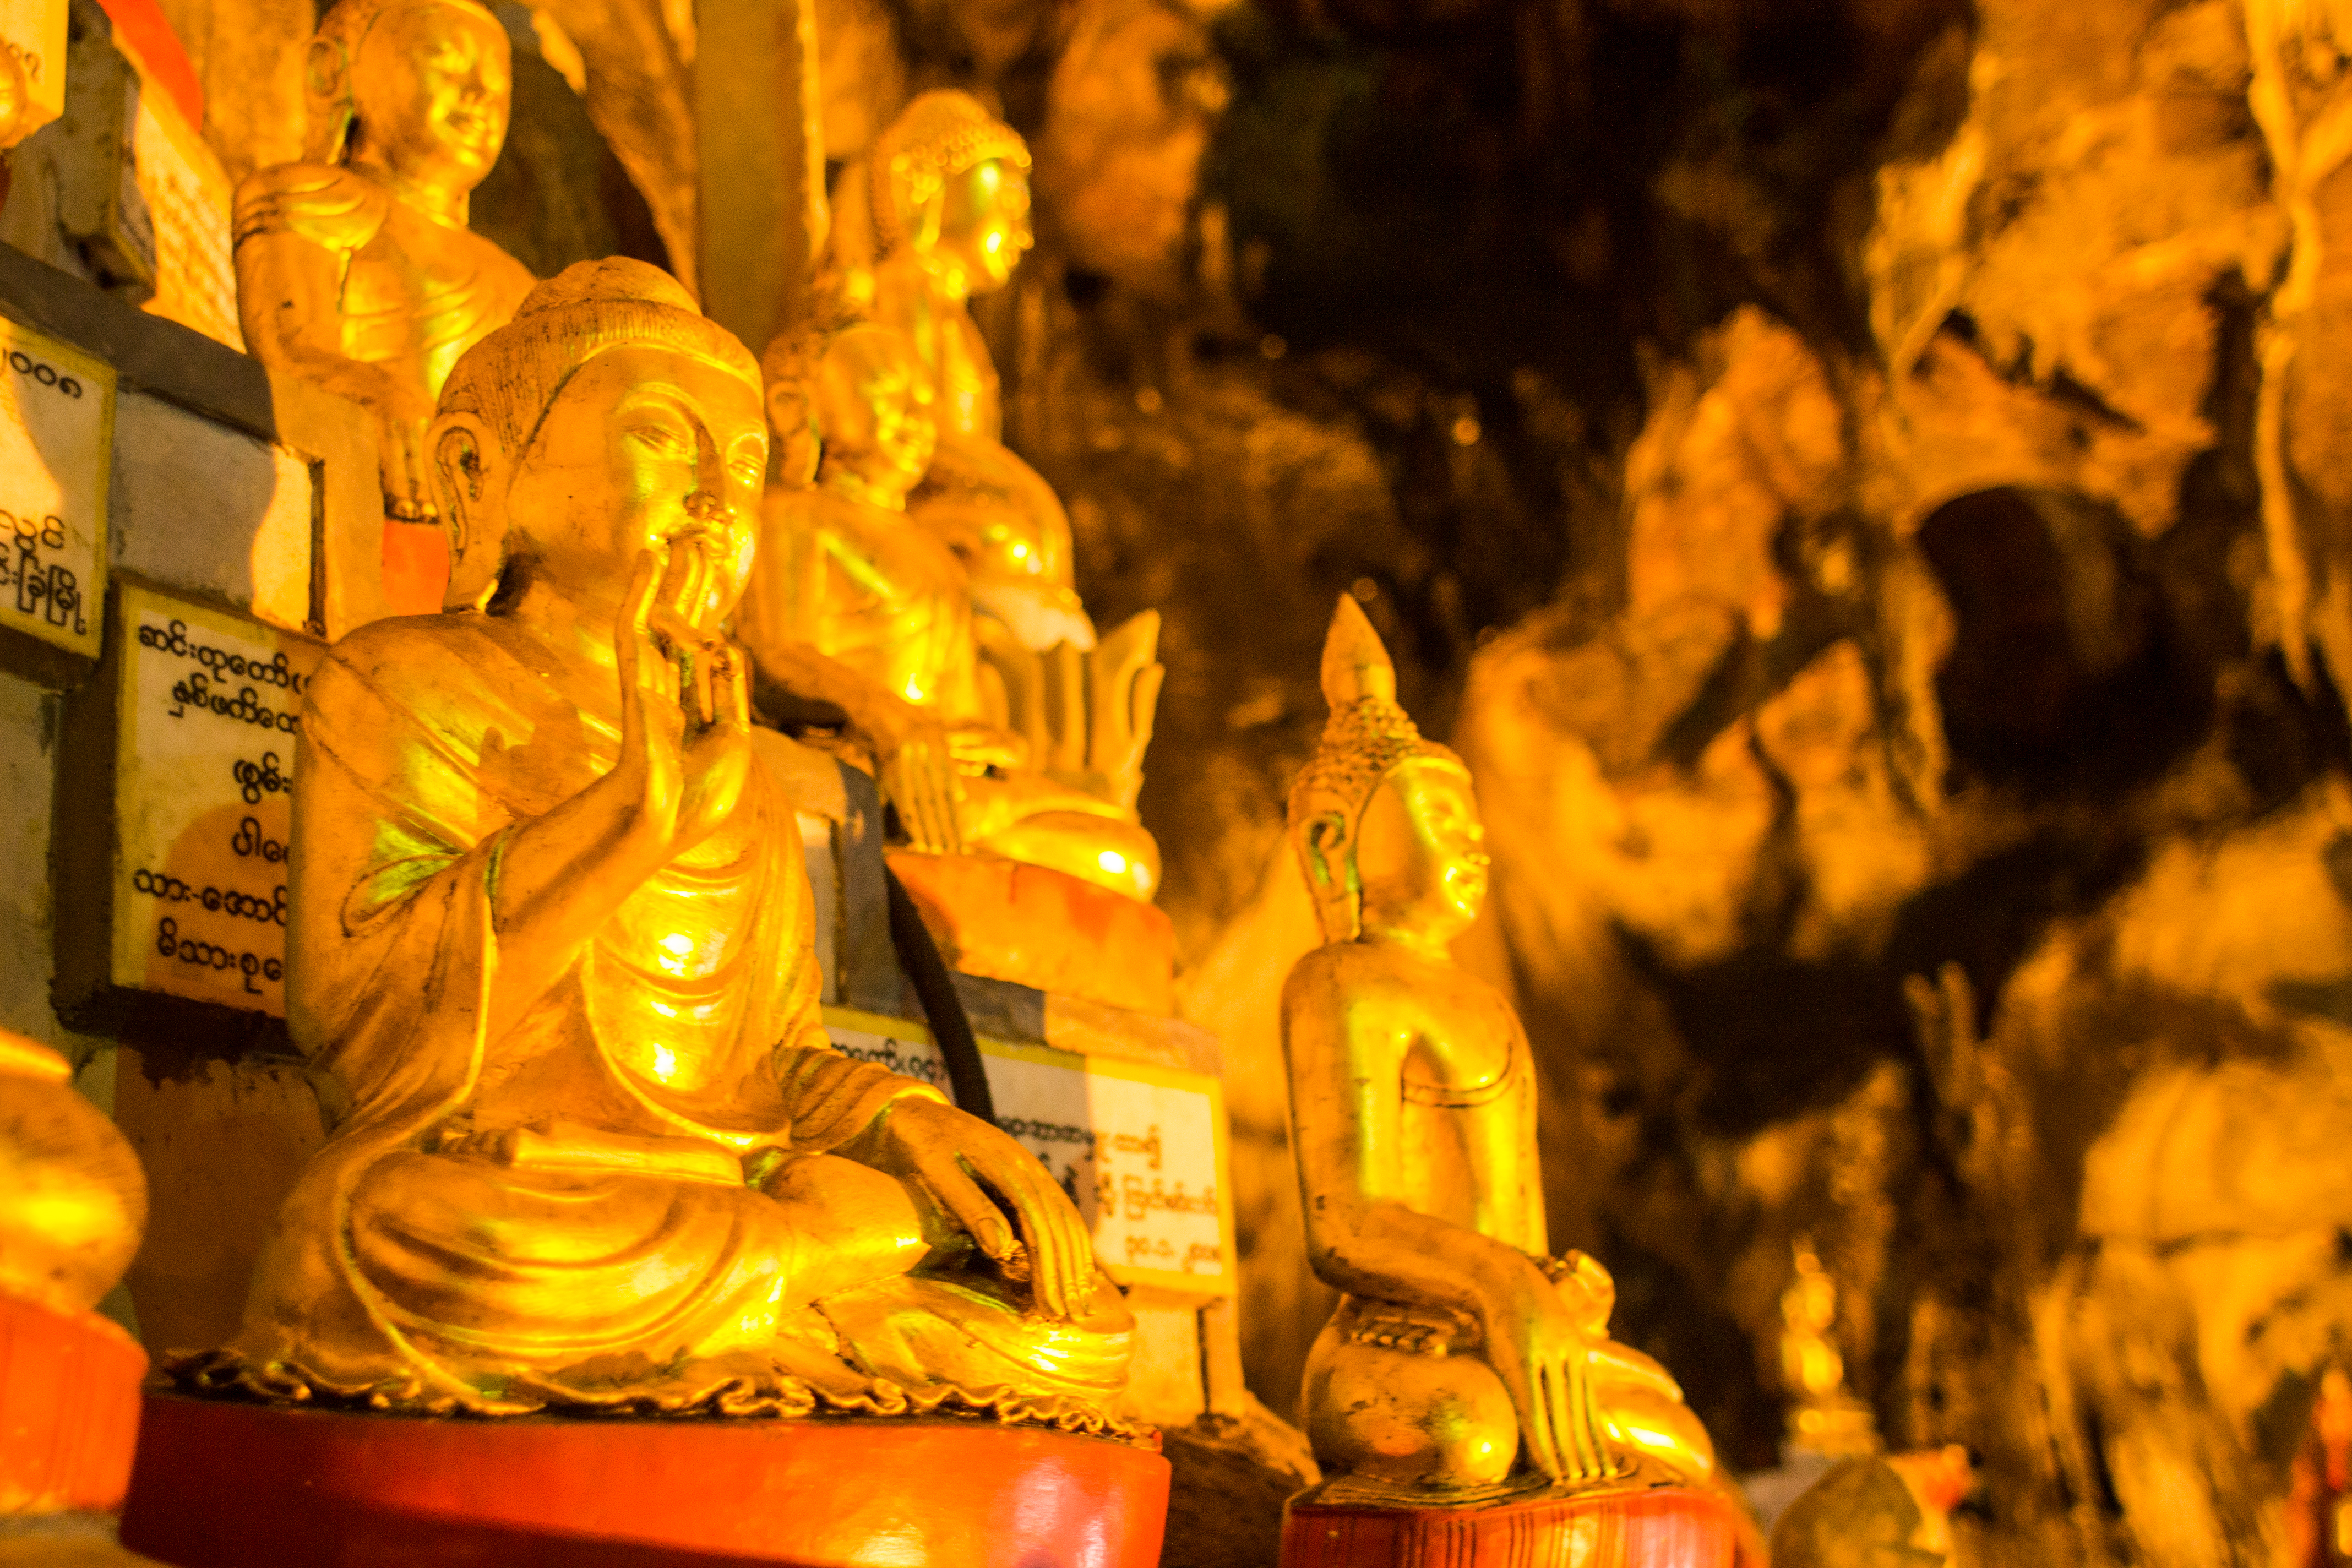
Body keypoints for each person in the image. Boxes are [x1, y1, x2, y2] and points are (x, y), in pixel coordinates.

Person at [180, 259, 1134, 1429]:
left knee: (1065, 1302)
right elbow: (364, 1021)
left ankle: (765, 1294)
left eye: (741, 464)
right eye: (664, 439)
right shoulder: (409, 681)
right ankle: (786, 1302)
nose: (715, 495)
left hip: (723, 1189)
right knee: (392, 1235)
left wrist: (915, 1121)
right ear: (487, 470)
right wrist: (631, 816)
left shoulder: (735, 756)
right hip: (512, 1185)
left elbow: (775, 1065)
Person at [1284, 596, 1717, 1490]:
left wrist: (1550, 1288)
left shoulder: (1482, 1000)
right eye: (1441, 818)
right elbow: (1344, 1224)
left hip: (1504, 1328)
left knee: (1677, 1441)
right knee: (1471, 1437)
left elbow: (1502, 1212)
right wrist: (1498, 1284)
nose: (1470, 841)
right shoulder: (1342, 982)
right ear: (1336, 844)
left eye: (1472, 819)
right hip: (1390, 1344)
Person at [233, 0, 535, 614]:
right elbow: (290, 346)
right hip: (362, 514)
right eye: (447, 62)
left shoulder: (520, 286)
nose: (482, 95)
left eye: (500, 84)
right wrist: (376, 393)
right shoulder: (314, 198)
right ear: (333, 73)